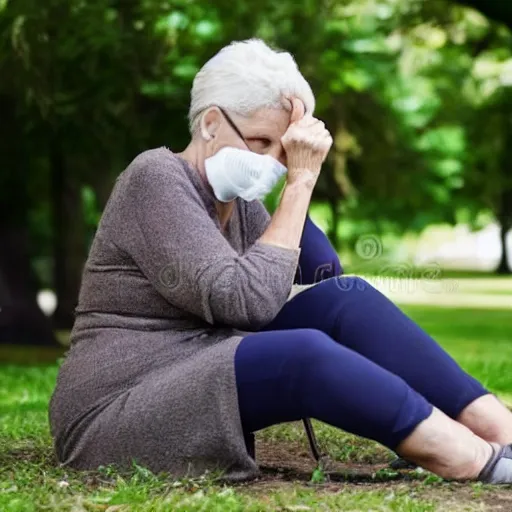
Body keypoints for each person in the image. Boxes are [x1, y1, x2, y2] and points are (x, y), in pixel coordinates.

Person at [49, 39, 512, 484]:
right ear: (211, 124)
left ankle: (499, 428)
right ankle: (467, 456)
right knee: (301, 354)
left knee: (346, 299)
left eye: (283, 148)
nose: (273, 161)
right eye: (261, 141)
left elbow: (322, 276)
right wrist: (299, 184)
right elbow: (243, 304)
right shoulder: (155, 178)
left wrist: (297, 175)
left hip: (194, 364)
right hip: (118, 406)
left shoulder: (240, 200)